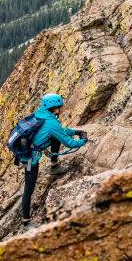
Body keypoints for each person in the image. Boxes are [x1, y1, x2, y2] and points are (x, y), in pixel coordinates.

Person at [19, 93, 87, 228]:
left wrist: (76, 131)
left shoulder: (42, 114)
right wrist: (83, 141)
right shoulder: (51, 122)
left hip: (31, 149)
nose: (63, 108)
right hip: (29, 158)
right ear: (55, 107)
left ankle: (54, 166)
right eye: (61, 106)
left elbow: (59, 131)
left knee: (55, 137)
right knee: (29, 188)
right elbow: (69, 143)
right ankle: (25, 222)